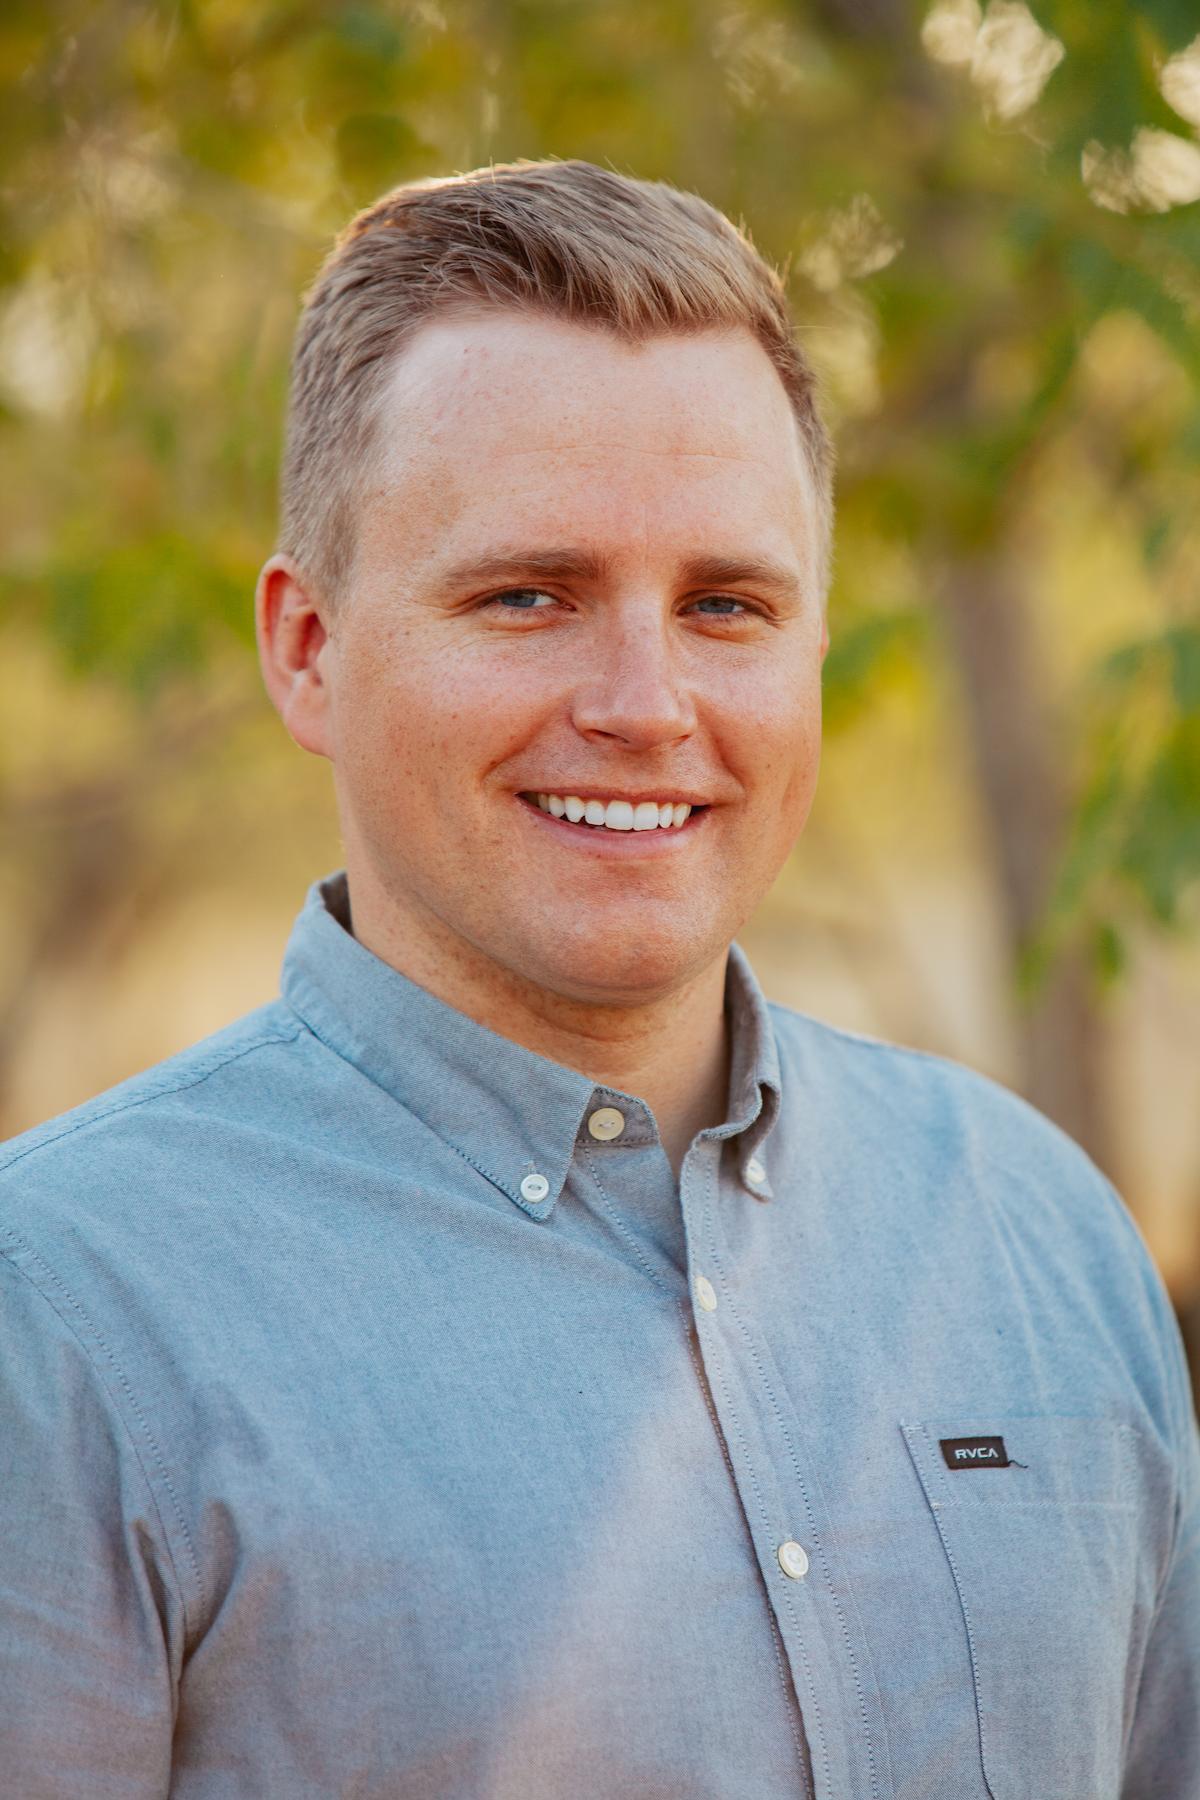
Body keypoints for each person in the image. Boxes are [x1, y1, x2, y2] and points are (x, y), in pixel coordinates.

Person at [1, 159, 1195, 1800]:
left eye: (727, 605)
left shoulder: (1040, 1234)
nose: (645, 704)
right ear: (308, 649)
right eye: (528, 595)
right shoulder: (55, 1317)